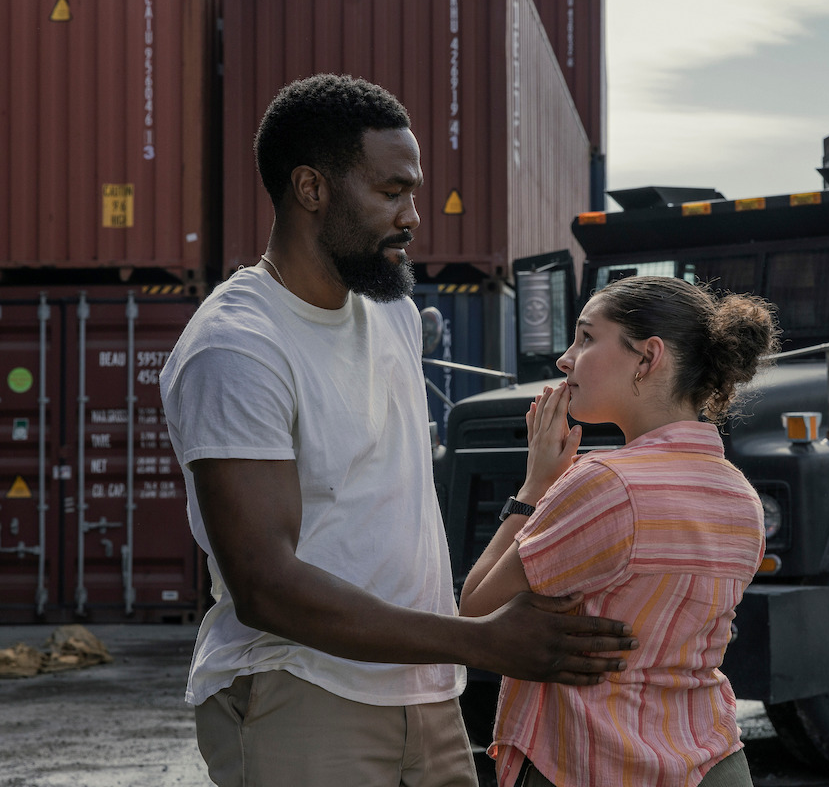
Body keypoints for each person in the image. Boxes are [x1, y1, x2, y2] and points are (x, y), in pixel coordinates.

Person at [159, 74, 635, 787]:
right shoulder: (239, 348)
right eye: (392, 192)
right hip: (304, 692)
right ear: (312, 189)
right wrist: (480, 641)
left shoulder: (390, 309)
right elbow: (265, 586)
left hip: (426, 692)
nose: (414, 216)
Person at [459, 275, 781, 787]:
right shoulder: (738, 492)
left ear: (647, 359)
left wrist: (535, 485)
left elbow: (475, 610)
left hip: (588, 761)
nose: (566, 359)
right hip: (712, 760)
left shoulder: (605, 483)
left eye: (587, 338)